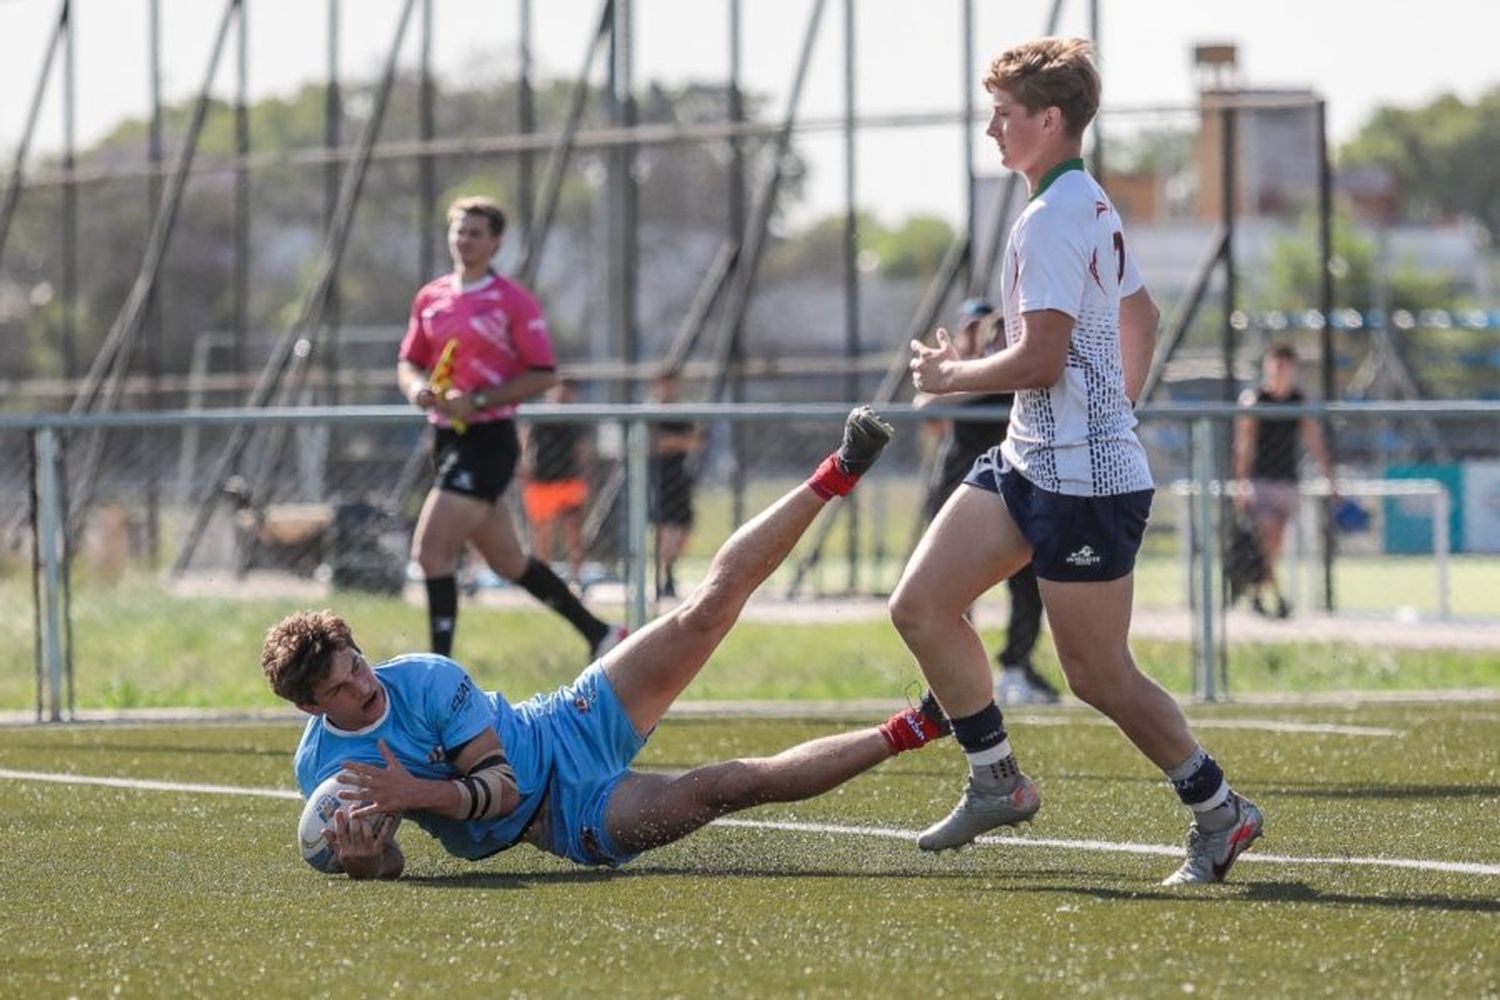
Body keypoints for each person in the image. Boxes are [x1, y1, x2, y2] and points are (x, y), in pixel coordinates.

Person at [263, 407, 951, 879]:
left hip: (568, 719)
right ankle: (920, 723)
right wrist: (365, 862)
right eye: (341, 690)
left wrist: (413, 790)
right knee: (727, 786)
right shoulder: (322, 769)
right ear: (312, 707)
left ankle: (837, 469)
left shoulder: (425, 679)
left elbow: (496, 784)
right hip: (569, 818)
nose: (363, 684)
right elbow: (401, 860)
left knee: (703, 611)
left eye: (356, 663)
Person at [895, 37, 1262, 885]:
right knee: (920, 605)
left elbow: (1041, 360)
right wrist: (1113, 409)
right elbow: (1144, 316)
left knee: (1097, 674)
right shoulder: (1079, 200)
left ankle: (1221, 811)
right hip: (1030, 462)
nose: (991, 128)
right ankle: (997, 779)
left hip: (1086, 485)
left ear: (1049, 121)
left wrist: (951, 378)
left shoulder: (1059, 215)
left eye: (1005, 114)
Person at [397, 196, 625, 660]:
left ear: (496, 242)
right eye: (459, 231)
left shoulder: (512, 302)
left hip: (488, 440)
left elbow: (543, 372)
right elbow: (410, 362)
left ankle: (439, 670)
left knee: (431, 551)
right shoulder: (431, 297)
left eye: (476, 233)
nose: (465, 240)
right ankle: (601, 633)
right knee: (508, 561)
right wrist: (418, 389)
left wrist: (477, 399)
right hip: (446, 438)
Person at [917, 298, 1058, 706]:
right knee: (953, 590)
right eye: (976, 328)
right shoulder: (967, 380)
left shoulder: (1020, 380)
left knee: (1028, 585)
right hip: (960, 492)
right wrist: (969, 375)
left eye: (994, 330)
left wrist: (997, 373)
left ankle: (1016, 666)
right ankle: (956, 675)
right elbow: (926, 409)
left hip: (1019, 494)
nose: (988, 337)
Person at [1231, 342, 1336, 619]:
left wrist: (1330, 477)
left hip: (1287, 480)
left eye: (1284, 365)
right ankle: (1275, 596)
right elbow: (1244, 444)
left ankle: (1258, 592)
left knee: (1274, 543)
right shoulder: (1255, 399)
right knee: (1266, 536)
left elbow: (1315, 442)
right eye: (1275, 364)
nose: (1279, 370)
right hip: (1260, 480)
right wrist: (1240, 483)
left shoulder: (1299, 400)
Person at [521, 379, 593, 587]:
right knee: (542, 533)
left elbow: (583, 451)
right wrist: (525, 468)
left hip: (569, 481)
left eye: (569, 391)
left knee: (574, 532)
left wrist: (585, 477)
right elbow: (526, 444)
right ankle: (545, 578)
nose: (563, 394)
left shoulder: (575, 419)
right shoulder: (539, 416)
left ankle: (577, 577)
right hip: (542, 481)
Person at [648, 373, 702, 600]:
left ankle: (670, 571)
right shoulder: (651, 413)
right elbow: (652, 444)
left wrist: (671, 442)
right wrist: (678, 442)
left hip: (680, 477)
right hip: (658, 478)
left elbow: (696, 441)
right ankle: (665, 577)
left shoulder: (681, 413)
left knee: (683, 528)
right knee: (664, 528)